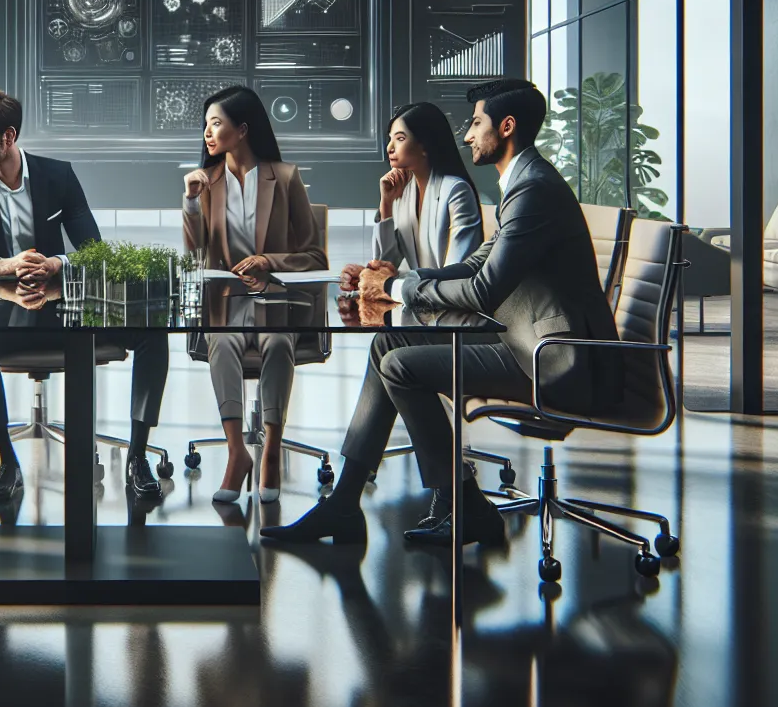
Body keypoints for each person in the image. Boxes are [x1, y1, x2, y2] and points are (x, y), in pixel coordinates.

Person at [263, 78, 625, 548]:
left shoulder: (532, 190)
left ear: (506, 127)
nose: (468, 135)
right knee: (388, 342)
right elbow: (473, 265)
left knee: (401, 366)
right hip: (523, 339)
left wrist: (396, 286)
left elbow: (483, 290)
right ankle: (345, 504)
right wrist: (399, 282)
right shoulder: (524, 185)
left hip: (551, 357)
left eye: (476, 123)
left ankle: (464, 502)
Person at [0, 89, 171, 506]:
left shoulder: (57, 176)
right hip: (1, 315)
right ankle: (7, 460)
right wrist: (1, 266)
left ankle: (137, 456)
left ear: (8, 137)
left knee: (151, 329)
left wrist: (58, 263)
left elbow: (94, 251)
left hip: (65, 313)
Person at [336, 102, 484, 528]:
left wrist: (385, 280)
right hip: (423, 314)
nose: (390, 147)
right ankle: (350, 500)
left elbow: (459, 272)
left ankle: (351, 500)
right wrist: (385, 205)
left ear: (426, 144)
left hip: (459, 323)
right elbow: (386, 261)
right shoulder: (402, 193)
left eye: (399, 138)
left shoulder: (454, 190)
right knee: (386, 347)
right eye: (389, 139)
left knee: (389, 353)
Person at [182, 85, 326, 505]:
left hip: (276, 302)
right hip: (225, 304)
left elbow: (315, 257)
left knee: (278, 343)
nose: (208, 133)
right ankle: (237, 453)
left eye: (216, 124)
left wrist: (268, 261)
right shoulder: (206, 183)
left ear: (242, 130)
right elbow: (194, 255)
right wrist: (190, 203)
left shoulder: (285, 178)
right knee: (222, 343)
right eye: (206, 125)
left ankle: (272, 450)